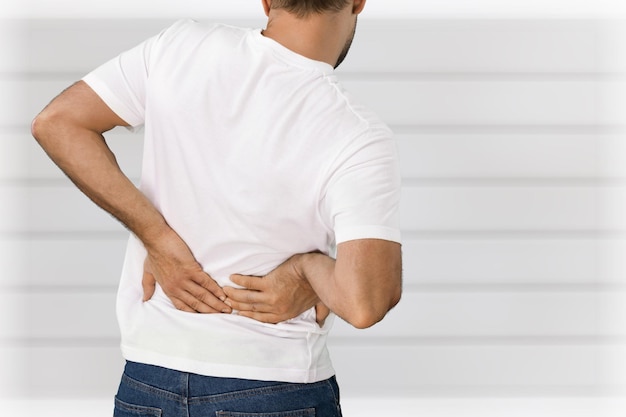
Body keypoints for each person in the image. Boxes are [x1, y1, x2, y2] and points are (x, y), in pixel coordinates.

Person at [30, 0, 402, 415]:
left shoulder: (181, 47)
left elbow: (58, 122)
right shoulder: (355, 132)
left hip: (149, 382)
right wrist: (308, 269)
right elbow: (366, 302)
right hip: (274, 387)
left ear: (266, 2)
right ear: (358, 2)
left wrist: (156, 236)